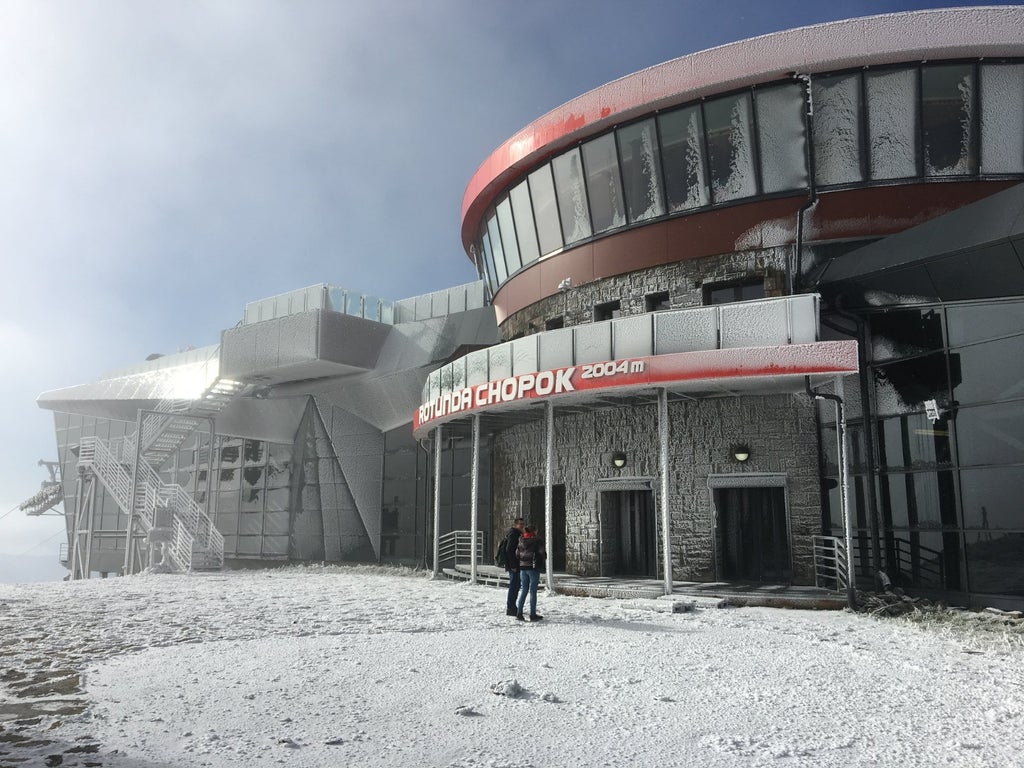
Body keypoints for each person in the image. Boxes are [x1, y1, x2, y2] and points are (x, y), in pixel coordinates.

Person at [515, 525, 546, 621]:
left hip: (523, 567)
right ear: (534, 531)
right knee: (533, 592)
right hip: (533, 568)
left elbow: (517, 554)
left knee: (524, 590)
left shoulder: (521, 540)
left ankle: (519, 613)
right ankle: (532, 614)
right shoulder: (537, 541)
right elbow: (542, 553)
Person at [501, 518, 525, 616]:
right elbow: (509, 550)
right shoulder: (513, 534)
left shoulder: (516, 533)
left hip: (515, 564)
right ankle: (511, 608)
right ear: (515, 525)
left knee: (516, 585)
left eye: (523, 524)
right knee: (514, 586)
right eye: (520, 524)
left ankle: (512, 607)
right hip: (514, 565)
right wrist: (513, 565)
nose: (522, 526)